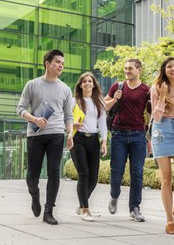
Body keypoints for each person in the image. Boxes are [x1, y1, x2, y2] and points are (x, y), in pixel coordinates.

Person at [16, 49, 74, 225]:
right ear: (47, 63)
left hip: (56, 133)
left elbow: (68, 116)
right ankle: (35, 196)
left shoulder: (65, 89)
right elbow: (20, 109)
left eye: (63, 63)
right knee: (32, 175)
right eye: (57, 62)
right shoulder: (32, 84)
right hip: (35, 134)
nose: (61, 66)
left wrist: (70, 132)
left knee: (54, 172)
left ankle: (49, 211)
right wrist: (34, 119)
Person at [104, 58, 151, 222]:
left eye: (130, 68)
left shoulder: (146, 89)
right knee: (116, 171)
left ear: (139, 70)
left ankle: (135, 208)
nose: (127, 71)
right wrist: (115, 99)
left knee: (137, 172)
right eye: (125, 69)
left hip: (139, 135)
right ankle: (114, 196)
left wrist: (149, 137)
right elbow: (104, 106)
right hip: (119, 135)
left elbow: (150, 114)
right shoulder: (117, 86)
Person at [150, 57, 174, 234]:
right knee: (166, 179)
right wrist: (164, 95)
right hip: (161, 131)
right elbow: (156, 117)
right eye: (169, 66)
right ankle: (169, 219)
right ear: (164, 70)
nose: (173, 69)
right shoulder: (156, 87)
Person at [70, 72, 108, 222]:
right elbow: (64, 120)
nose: (87, 83)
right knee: (84, 174)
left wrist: (104, 141)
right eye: (84, 81)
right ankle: (85, 209)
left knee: (94, 178)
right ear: (80, 85)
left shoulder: (99, 102)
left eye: (90, 81)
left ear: (93, 84)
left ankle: (81, 204)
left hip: (93, 139)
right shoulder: (74, 101)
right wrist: (72, 125)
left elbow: (103, 123)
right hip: (77, 139)